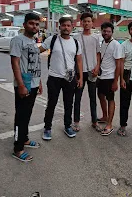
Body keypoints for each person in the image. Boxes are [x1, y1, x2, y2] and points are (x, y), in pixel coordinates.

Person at [39, 17, 83, 140]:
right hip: (54, 78)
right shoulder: (52, 40)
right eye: (63, 25)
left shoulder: (75, 42)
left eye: (68, 25)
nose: (66, 28)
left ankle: (67, 126)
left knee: (69, 103)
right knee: (51, 103)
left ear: (72, 27)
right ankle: (47, 128)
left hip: (70, 78)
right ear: (59, 27)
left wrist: (81, 77)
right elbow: (38, 50)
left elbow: (79, 61)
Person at [10, 13, 42, 162]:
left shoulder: (34, 41)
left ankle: (25, 139)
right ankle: (18, 148)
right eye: (31, 23)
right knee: (21, 116)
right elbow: (15, 63)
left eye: (36, 24)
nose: (34, 26)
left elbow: (35, 63)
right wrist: (21, 85)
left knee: (27, 114)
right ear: (24, 25)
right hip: (24, 85)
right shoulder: (18, 40)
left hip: (33, 84)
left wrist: (39, 82)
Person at [73, 12, 101, 132]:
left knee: (93, 98)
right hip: (80, 72)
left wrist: (97, 67)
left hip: (92, 71)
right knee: (77, 98)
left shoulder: (96, 37)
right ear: (81, 23)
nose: (86, 23)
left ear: (92, 23)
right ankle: (76, 122)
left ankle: (94, 121)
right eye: (84, 21)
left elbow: (98, 54)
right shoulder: (76, 38)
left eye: (89, 21)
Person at [97, 22, 122, 136]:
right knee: (101, 96)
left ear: (112, 32)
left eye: (108, 31)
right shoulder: (102, 42)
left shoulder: (116, 45)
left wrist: (116, 81)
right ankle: (104, 116)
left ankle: (110, 124)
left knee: (110, 99)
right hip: (101, 76)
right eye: (104, 31)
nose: (106, 33)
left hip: (110, 77)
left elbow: (119, 64)